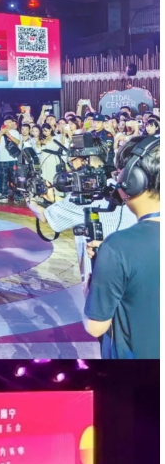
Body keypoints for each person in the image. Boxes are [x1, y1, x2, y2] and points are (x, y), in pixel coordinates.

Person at [84, 135, 159, 358]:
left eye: (120, 173)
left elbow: (95, 327)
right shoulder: (118, 249)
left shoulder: (118, 247)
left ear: (132, 180)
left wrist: (91, 285)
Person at [0, 114, 21, 201]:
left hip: (12, 159)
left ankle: (16, 194)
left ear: (12, 123)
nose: (7, 124)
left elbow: (17, 142)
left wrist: (8, 134)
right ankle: (4, 194)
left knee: (14, 178)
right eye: (6, 122)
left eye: (9, 122)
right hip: (2, 159)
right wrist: (1, 133)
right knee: (3, 178)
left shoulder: (15, 132)